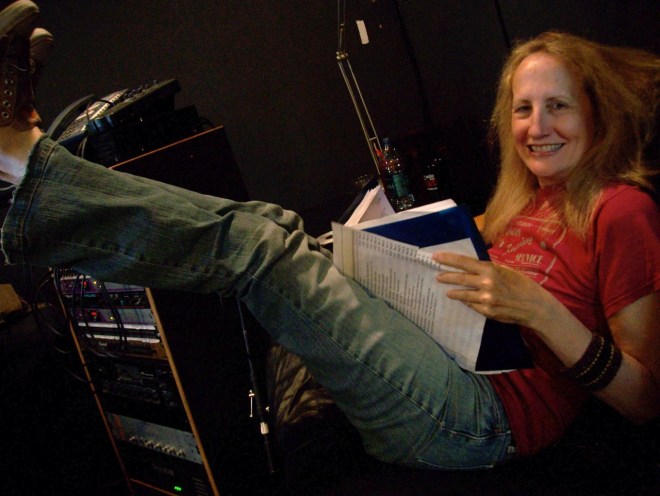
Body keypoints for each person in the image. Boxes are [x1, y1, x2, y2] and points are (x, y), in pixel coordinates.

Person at [0, 0, 658, 470]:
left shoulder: (621, 209)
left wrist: (540, 310)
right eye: (523, 108)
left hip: (481, 419)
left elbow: (644, 399)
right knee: (280, 229)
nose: (536, 127)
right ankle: (23, 166)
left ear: (595, 113)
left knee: (262, 251)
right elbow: (458, 253)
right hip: (444, 364)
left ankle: (23, 161)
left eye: (558, 106)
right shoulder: (528, 200)